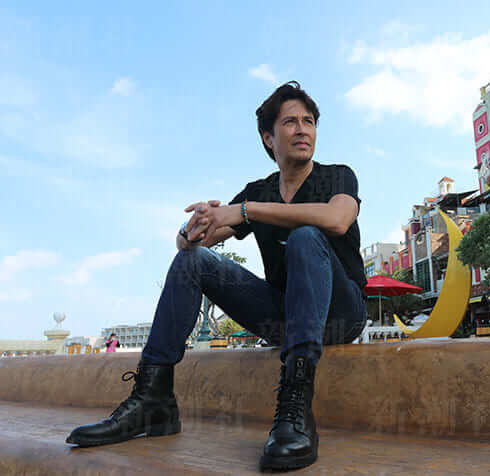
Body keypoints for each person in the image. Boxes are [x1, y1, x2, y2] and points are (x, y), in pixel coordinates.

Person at [66, 82, 367, 471]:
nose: (302, 130)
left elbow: (338, 219)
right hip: (282, 317)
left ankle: (295, 407)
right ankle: (153, 399)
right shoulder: (258, 191)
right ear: (268, 138)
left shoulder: (336, 177)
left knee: (306, 237)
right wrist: (193, 226)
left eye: (308, 121)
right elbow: (191, 244)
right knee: (193, 261)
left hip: (341, 314)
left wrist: (244, 211)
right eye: (290, 122)